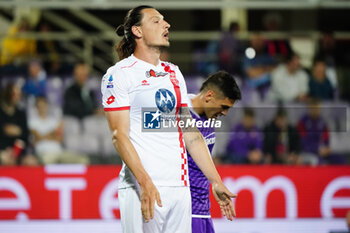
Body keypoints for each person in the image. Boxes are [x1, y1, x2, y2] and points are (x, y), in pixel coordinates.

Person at [102, 5, 236, 232]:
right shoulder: (119, 74)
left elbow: (190, 132)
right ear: (137, 31)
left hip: (179, 190)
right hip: (142, 187)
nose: (167, 24)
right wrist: (144, 183)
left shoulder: (173, 72)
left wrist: (215, 180)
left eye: (164, 20)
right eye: (156, 21)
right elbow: (119, 136)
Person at [187, 70, 241, 233]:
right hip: (185, 210)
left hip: (203, 209)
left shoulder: (211, 116)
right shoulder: (178, 113)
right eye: (223, 106)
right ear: (209, 96)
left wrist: (215, 182)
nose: (225, 113)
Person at [29, 96, 89, 164]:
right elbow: (37, 137)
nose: (42, 108)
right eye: (39, 106)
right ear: (36, 107)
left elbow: (60, 139)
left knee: (82, 159)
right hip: (43, 153)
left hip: (58, 151)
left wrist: (42, 137)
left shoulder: (53, 121)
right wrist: (54, 132)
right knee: (47, 160)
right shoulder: (32, 121)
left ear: (47, 105)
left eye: (43, 105)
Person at [0, 82, 38, 166]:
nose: (17, 97)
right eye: (14, 94)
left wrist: (15, 151)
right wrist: (4, 129)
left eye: (19, 94)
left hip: (18, 151)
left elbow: (25, 135)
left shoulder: (21, 113)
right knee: (6, 160)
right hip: (2, 150)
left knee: (32, 162)